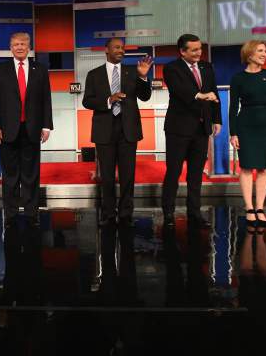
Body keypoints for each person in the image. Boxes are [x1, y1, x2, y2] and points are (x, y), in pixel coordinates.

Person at [82, 37, 152, 226]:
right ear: (107, 50)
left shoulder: (133, 72)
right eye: (117, 47)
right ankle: (108, 214)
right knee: (107, 176)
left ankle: (126, 213)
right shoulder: (94, 74)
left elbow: (145, 97)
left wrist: (143, 77)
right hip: (104, 130)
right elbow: (87, 101)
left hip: (128, 130)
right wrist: (108, 100)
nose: (121, 50)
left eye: (123, 48)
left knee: (128, 175)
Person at [0, 32, 53, 227]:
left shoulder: (40, 69)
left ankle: (32, 213)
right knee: (10, 174)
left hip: (32, 128)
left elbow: (46, 99)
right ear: (10, 47)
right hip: (7, 129)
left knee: (31, 174)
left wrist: (46, 125)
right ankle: (11, 214)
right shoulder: (1, 70)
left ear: (29, 47)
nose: (19, 47)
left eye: (23, 44)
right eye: (16, 44)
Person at [161, 34, 221, 229]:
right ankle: (168, 213)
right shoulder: (171, 68)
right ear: (182, 51)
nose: (198, 53)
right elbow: (180, 90)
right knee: (174, 172)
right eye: (194, 50)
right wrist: (200, 95)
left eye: (200, 49)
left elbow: (214, 93)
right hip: (178, 129)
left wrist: (217, 119)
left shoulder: (207, 67)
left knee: (195, 175)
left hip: (201, 129)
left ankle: (194, 213)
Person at [229, 40, 266, 229]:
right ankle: (249, 207)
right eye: (260, 50)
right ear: (249, 53)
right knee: (246, 167)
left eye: (265, 51)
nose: (264, 54)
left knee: (264, 168)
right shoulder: (238, 78)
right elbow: (233, 108)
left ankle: (260, 208)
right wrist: (233, 133)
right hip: (246, 126)